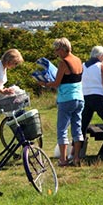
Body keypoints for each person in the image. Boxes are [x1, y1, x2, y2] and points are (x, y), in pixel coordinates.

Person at [41, 38, 84, 166]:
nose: (56, 53)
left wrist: (43, 83)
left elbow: (56, 83)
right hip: (79, 98)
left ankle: (63, 159)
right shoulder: (78, 60)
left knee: (62, 129)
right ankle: (76, 157)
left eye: (57, 50)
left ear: (62, 49)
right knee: (77, 128)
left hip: (66, 98)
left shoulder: (63, 63)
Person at [79, 46, 103, 157]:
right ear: (100, 56)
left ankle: (77, 152)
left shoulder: (83, 66)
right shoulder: (101, 67)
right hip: (99, 97)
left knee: (82, 125)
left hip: (85, 97)